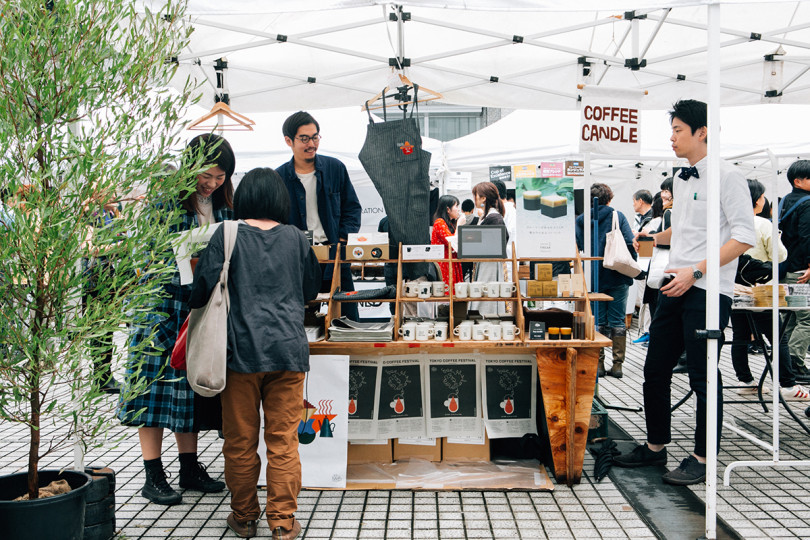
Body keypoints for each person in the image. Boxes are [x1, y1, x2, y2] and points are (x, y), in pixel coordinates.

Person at [615, 99, 755, 486]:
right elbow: (686, 230)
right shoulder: (680, 178)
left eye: (678, 129)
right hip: (674, 285)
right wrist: (652, 237)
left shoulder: (728, 176)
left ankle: (702, 457)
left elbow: (744, 236)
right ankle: (656, 447)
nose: (672, 137)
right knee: (654, 369)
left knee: (702, 376)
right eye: (672, 130)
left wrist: (697, 271)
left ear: (702, 132)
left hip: (708, 289)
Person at [190, 168, 320, 540]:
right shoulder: (297, 238)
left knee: (240, 440)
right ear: (279, 200)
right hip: (287, 352)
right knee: (283, 440)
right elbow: (311, 288)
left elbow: (201, 292)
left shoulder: (226, 235)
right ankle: (282, 521)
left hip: (237, 355)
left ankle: (245, 517)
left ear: (243, 198)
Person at [118, 134, 233, 505]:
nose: (211, 183)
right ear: (191, 164)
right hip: (159, 308)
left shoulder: (226, 206)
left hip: (198, 308)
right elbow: (143, 255)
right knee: (151, 392)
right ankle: (153, 475)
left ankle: (189, 467)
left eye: (219, 178)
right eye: (207, 175)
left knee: (188, 389)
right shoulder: (164, 200)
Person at [276, 111, 362, 320]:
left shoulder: (335, 168)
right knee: (300, 320)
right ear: (289, 141)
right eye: (304, 138)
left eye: (315, 137)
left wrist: (342, 239)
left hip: (335, 255)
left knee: (346, 318)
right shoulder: (279, 177)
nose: (311, 144)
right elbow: (275, 220)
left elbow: (353, 209)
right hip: (298, 259)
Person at [730, 179, 808, 400]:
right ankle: (788, 385)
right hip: (760, 290)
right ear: (756, 200)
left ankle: (745, 380)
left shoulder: (728, 223)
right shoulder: (763, 224)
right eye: (763, 196)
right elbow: (781, 255)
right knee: (777, 337)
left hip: (734, 288)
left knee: (740, 335)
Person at [576, 183, 636, 378]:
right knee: (618, 320)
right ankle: (617, 365)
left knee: (598, 320)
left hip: (594, 277)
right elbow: (628, 242)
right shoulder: (617, 216)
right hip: (617, 274)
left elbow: (579, 245)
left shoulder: (582, 219)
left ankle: (598, 364)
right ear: (610, 199)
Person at [779, 160, 810, 382]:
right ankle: (795, 363)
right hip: (801, 271)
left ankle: (785, 364)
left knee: (790, 318)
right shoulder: (807, 203)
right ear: (798, 181)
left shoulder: (783, 202)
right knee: (807, 319)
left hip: (785, 268)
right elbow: (807, 237)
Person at [470, 182, 509, 317]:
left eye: (476, 196)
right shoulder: (491, 216)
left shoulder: (493, 217)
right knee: (484, 293)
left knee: (486, 294)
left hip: (489, 264)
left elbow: (500, 240)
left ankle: (485, 323)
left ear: (483, 198)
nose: (475, 199)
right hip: (487, 262)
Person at [431, 195, 463, 293]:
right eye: (456, 206)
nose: (458, 209)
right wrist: (459, 225)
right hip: (444, 265)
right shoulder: (439, 222)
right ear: (448, 209)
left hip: (451, 262)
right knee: (447, 294)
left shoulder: (448, 223)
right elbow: (452, 242)